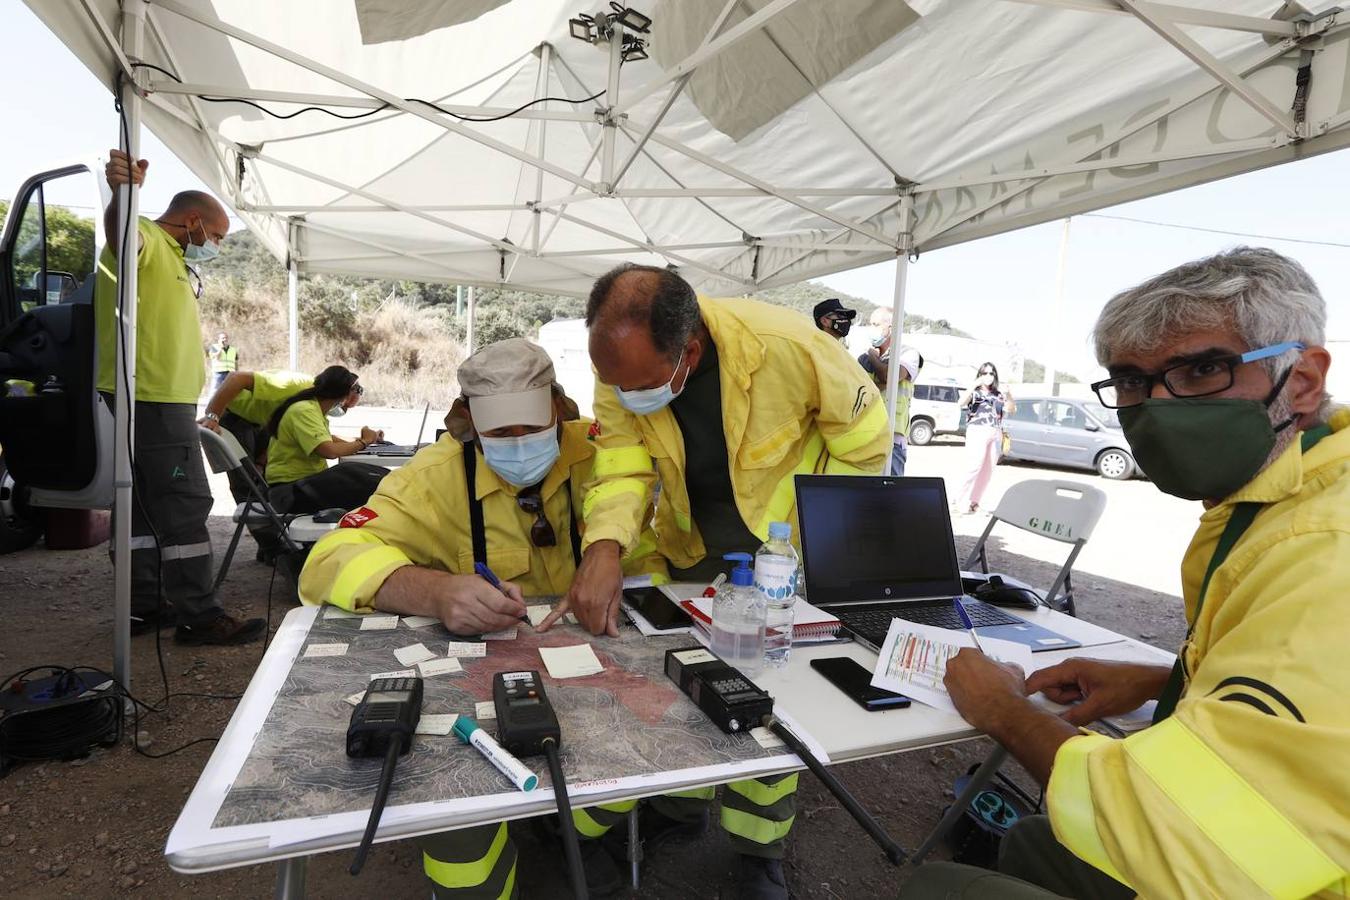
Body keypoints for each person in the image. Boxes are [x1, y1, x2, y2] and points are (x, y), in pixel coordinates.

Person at [902, 247, 1348, 899]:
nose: (1157, 406)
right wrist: (1159, 680)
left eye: (1201, 369)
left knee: (934, 887)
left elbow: (1183, 830)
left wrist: (1000, 709)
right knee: (1033, 837)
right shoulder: (1282, 499)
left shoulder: (1326, 548)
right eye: (1133, 381)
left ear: (1303, 381)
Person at [549, 264, 892, 898]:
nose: (624, 395)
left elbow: (868, 444)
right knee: (681, 683)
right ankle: (681, 807)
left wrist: (806, 539)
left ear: (692, 352)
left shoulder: (790, 348)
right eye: (612, 382)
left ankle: (759, 851)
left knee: (768, 699)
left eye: (642, 384)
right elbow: (624, 466)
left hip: (783, 560)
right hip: (692, 554)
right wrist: (602, 546)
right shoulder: (619, 371)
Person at [299, 339, 663, 898]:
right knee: (455, 819)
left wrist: (609, 556)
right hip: (481, 675)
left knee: (637, 754)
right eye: (500, 435)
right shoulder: (435, 475)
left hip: (594, 661)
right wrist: (434, 591)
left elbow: (655, 524)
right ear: (467, 423)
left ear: (559, 411)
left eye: (533, 430)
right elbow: (327, 559)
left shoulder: (603, 453)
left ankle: (567, 828)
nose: (519, 446)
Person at [96, 149, 264, 645]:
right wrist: (125, 196)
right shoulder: (145, 234)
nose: (213, 245)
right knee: (187, 503)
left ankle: (144, 606)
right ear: (193, 221)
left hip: (151, 398)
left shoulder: (173, 258)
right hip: (150, 397)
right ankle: (198, 614)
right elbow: (120, 237)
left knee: (143, 506)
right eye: (214, 237)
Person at [199, 368, 316, 559]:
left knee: (264, 481)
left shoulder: (313, 401)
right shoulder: (294, 387)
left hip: (262, 423)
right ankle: (271, 547)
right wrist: (213, 415)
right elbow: (236, 377)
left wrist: (263, 459)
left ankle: (271, 544)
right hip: (237, 418)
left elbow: (280, 429)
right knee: (248, 487)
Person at [263, 365, 388, 516]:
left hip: (300, 486)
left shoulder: (313, 408)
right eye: (356, 390)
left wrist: (365, 439)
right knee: (362, 480)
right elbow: (329, 451)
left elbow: (330, 439)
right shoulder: (304, 411)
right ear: (345, 394)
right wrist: (364, 442)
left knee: (362, 474)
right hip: (290, 493)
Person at [859, 331, 923, 475]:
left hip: (892, 437)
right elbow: (858, 388)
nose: (871, 328)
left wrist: (873, 356)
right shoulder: (863, 359)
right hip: (865, 434)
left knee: (891, 492)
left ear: (889, 328)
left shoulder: (908, 353)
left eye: (875, 325)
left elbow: (888, 376)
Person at [954, 361, 1009, 515]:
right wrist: (973, 385)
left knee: (988, 469)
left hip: (995, 431)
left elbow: (1011, 408)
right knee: (974, 466)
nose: (988, 376)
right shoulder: (975, 391)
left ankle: (975, 502)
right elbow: (960, 403)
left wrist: (1009, 395)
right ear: (979, 375)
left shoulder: (998, 394)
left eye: (991, 373)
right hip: (977, 430)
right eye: (985, 373)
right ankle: (959, 499)